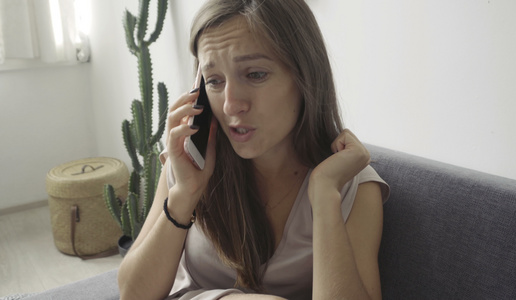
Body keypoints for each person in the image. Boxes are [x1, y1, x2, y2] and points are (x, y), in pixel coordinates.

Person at [117, 0, 389, 299]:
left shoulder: (351, 186)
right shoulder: (188, 165)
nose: (231, 104)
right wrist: (185, 194)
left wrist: (324, 193)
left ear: (305, 78)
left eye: (255, 74)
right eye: (215, 81)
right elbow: (132, 294)